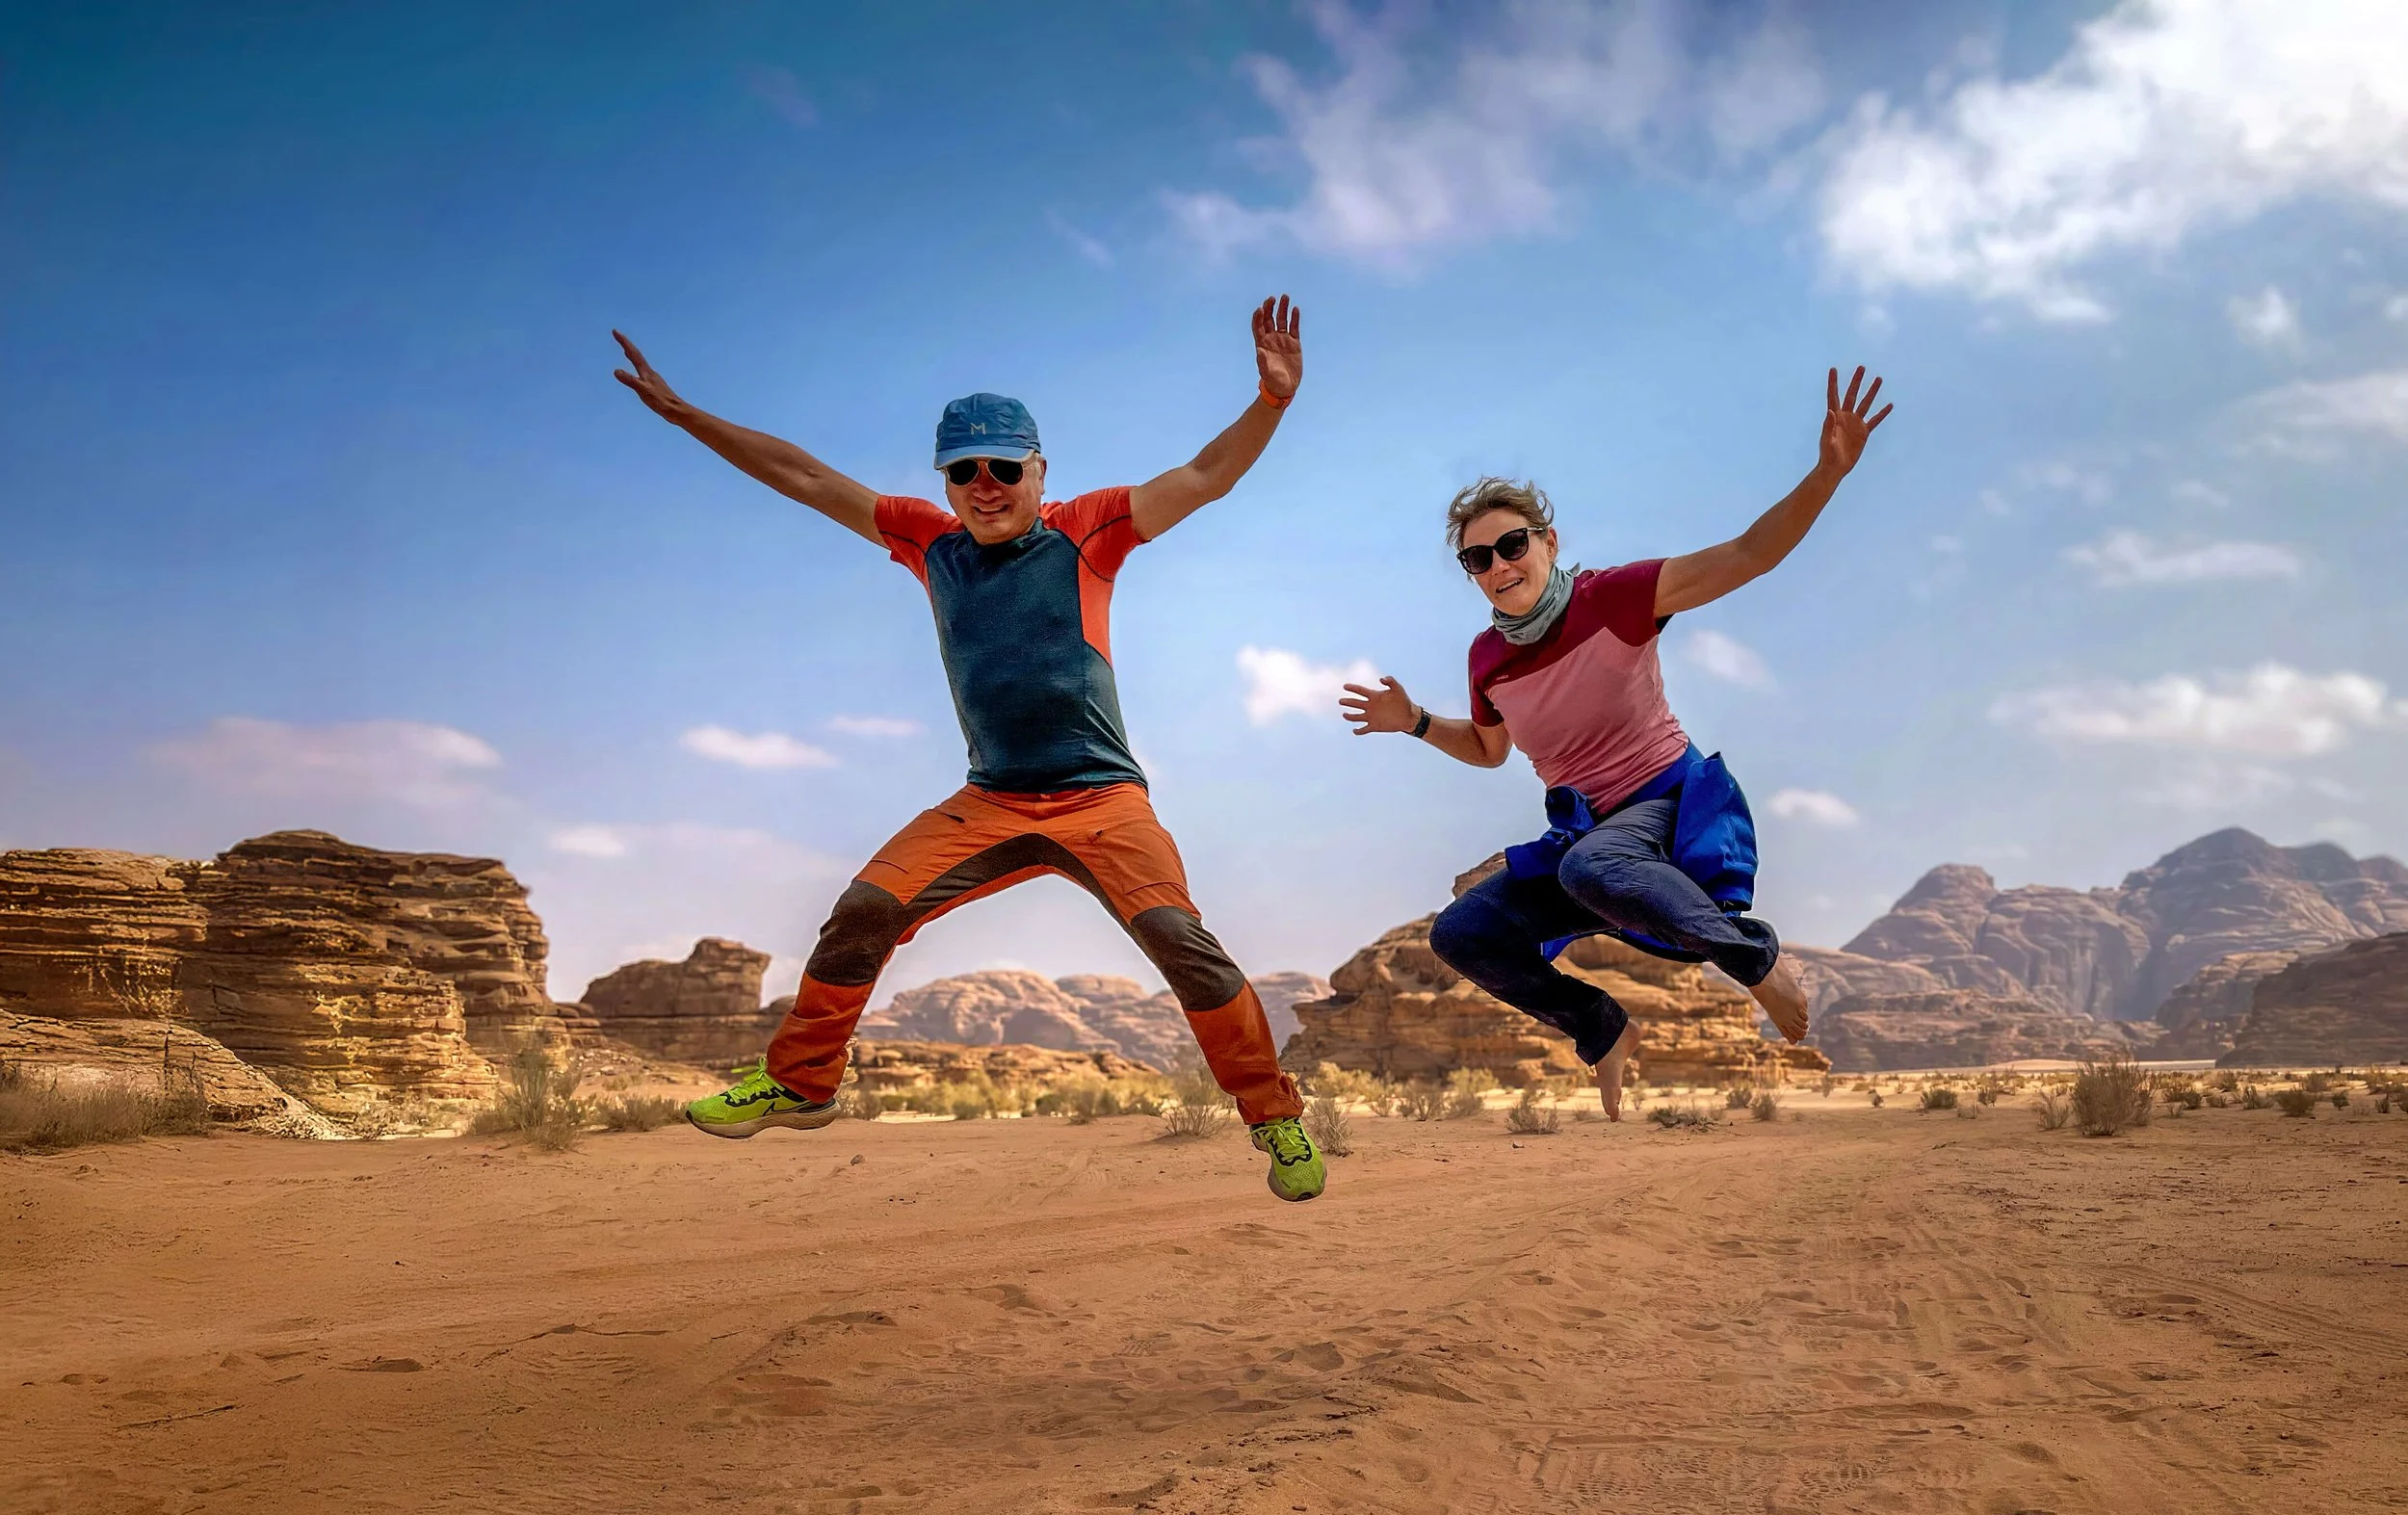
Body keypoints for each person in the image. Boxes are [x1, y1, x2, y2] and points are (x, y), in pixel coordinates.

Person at [611, 299, 1326, 1200]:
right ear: (946, 483)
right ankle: (801, 1081)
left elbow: (1205, 474)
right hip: (990, 799)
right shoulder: (929, 542)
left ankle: (1274, 1115)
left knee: (1183, 942)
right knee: (863, 910)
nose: (984, 486)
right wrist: (687, 417)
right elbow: (804, 475)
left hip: (1102, 800)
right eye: (963, 471)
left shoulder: (1089, 529)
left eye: (1002, 468)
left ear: (1039, 470)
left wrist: (1270, 401)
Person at [1341, 367, 1893, 1120]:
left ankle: (1755, 957)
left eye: (1511, 544)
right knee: (1462, 931)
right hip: (1591, 844)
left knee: (1592, 862)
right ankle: (1601, 1027)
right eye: (1479, 558)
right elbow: (1490, 750)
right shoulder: (1487, 660)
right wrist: (1414, 721)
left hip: (1669, 812)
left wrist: (1827, 473)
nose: (1499, 566)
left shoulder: (1616, 597)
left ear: (1548, 541)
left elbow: (1749, 553)